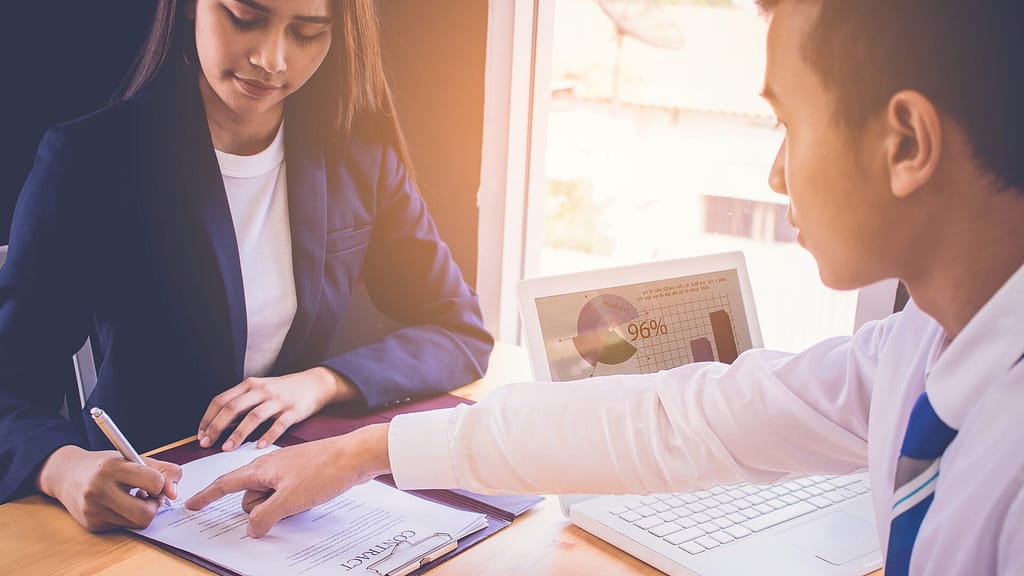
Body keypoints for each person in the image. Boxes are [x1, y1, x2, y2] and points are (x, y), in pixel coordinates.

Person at [187, 0, 1024, 573]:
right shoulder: (914, 350)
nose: (775, 172)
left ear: (907, 143)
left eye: (788, 122)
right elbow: (683, 418)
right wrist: (370, 450)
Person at [0, 0, 493, 532]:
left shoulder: (358, 152)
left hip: (301, 496)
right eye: (244, 18)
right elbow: (10, 382)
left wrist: (321, 382)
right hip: (148, 500)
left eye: (307, 32)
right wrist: (62, 467)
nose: (272, 59)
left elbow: (459, 330)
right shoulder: (91, 159)